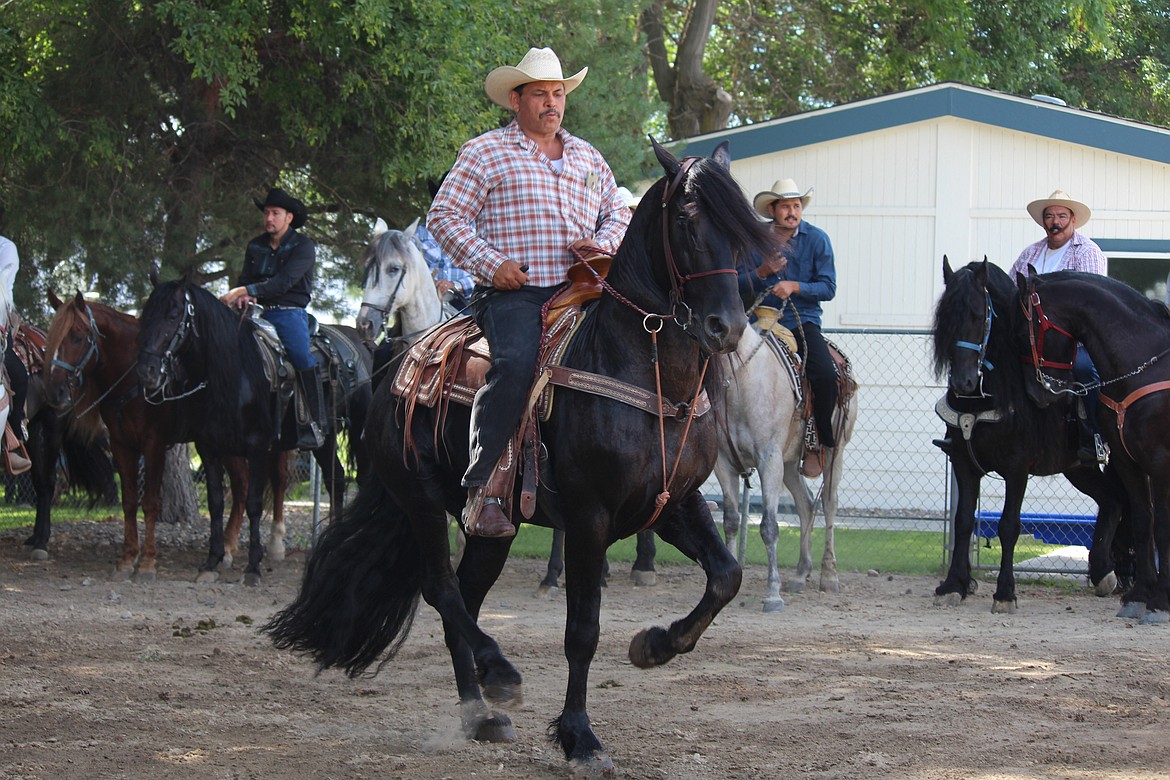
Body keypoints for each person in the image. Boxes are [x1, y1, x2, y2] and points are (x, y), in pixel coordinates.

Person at [428, 46, 630, 537]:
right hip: (516, 294)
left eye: (557, 93)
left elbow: (619, 213)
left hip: (584, 290)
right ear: (515, 100)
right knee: (516, 363)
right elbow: (444, 216)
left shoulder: (587, 156)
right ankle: (483, 489)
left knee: (638, 351)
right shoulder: (485, 152)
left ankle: (651, 475)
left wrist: (601, 245)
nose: (551, 102)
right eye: (539, 93)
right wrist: (492, 265)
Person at [743, 178, 838, 479]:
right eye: (786, 206)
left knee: (824, 374)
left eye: (796, 206)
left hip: (802, 320)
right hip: (757, 319)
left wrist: (795, 285)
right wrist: (762, 273)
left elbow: (828, 287)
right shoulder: (752, 240)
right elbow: (735, 283)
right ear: (772, 209)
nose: (792, 212)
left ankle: (818, 442)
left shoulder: (817, 239)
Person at [221, 187, 325, 450]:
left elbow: (283, 282)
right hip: (255, 312)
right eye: (266, 213)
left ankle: (314, 421)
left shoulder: (303, 246)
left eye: (275, 213)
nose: (269, 218)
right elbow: (245, 279)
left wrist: (245, 291)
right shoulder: (255, 245)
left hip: (288, 313)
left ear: (289, 217)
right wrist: (245, 295)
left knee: (301, 356)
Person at [1009, 189, 1108, 464]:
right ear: (1043, 222)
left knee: (1086, 369)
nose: (1056, 221)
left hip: (1072, 341)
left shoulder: (1087, 252)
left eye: (1062, 215)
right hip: (1032, 339)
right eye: (1050, 216)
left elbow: (1092, 303)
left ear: (1073, 220)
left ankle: (1094, 437)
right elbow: (1010, 292)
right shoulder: (1030, 253)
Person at [0, 205, 31, 474]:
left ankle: (14, 434)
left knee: (18, 374)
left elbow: (1, 283)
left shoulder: (6, 248)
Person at [416, 176, 474, 310]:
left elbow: (482, 276)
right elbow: (410, 269)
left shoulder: (476, 231)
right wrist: (430, 283)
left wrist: (455, 285)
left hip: (465, 302)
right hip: (427, 301)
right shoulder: (420, 233)